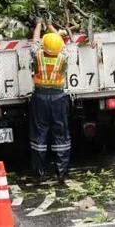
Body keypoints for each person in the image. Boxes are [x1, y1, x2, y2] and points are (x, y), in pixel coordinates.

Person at [29, 18, 70, 184]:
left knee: (40, 134)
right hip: (59, 99)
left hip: (40, 98)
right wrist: (51, 25)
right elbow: (61, 45)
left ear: (44, 46)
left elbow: (35, 42)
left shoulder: (38, 56)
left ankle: (39, 172)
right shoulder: (63, 57)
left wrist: (39, 24)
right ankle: (62, 172)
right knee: (61, 134)